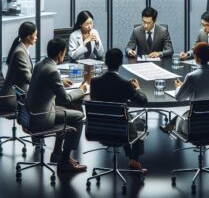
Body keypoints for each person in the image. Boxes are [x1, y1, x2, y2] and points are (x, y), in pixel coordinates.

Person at [26, 38, 88, 173]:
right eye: (64, 52)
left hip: (31, 114)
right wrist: (81, 90)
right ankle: (65, 160)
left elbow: (45, 81)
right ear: (60, 53)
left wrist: (60, 81)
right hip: (41, 118)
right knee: (78, 116)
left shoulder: (40, 64)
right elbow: (65, 99)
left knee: (66, 112)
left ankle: (57, 153)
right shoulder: (53, 71)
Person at [90, 48, 148, 173]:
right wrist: (137, 88)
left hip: (99, 128)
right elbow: (143, 100)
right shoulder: (125, 84)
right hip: (121, 130)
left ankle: (132, 158)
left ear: (105, 62)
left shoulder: (94, 82)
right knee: (138, 122)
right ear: (121, 63)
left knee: (123, 119)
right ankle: (135, 159)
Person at [160, 42, 209, 136]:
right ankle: (169, 125)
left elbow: (179, 98)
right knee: (192, 110)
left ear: (197, 58)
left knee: (188, 112)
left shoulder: (192, 76)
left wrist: (178, 87)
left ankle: (170, 126)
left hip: (194, 127)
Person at [0, 22, 37, 112]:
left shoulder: (22, 50)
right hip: (12, 99)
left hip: (19, 95)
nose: (36, 38)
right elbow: (28, 78)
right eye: (35, 35)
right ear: (28, 37)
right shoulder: (20, 52)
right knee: (42, 105)